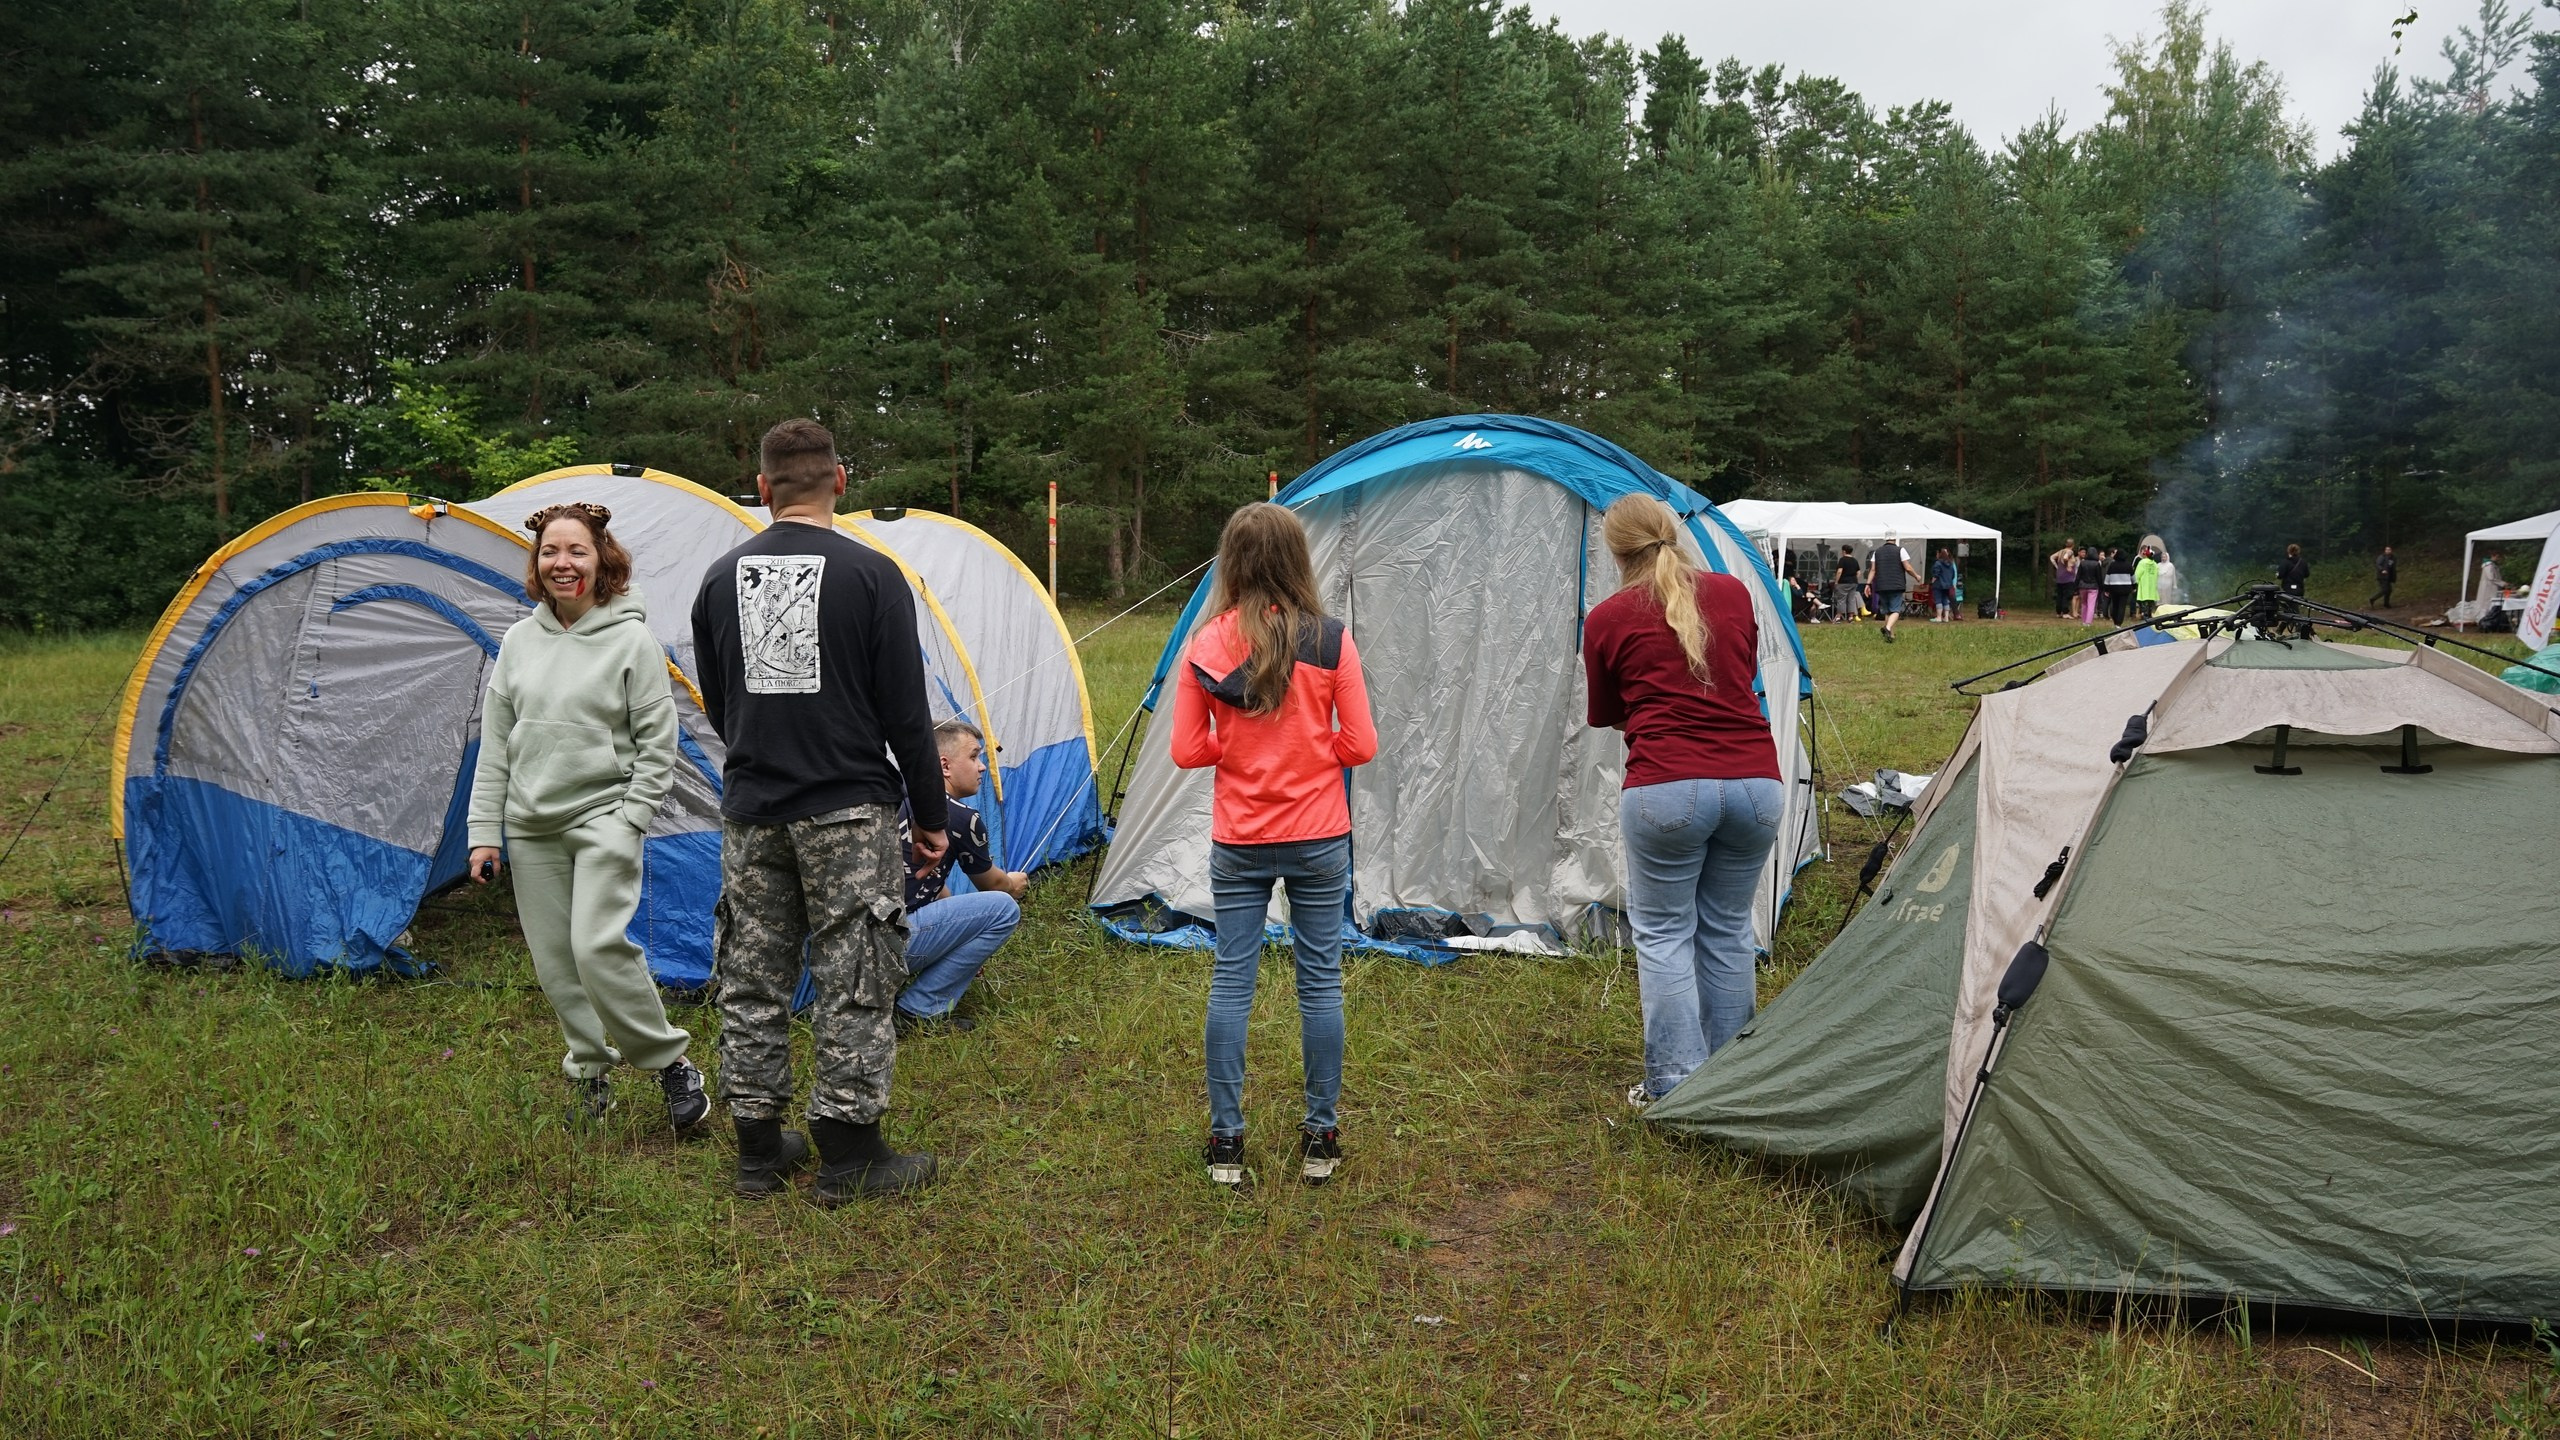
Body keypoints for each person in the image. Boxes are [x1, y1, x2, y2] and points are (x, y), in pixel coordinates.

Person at [692, 418, 951, 1206]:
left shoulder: (716, 579)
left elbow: (718, 702)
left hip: (753, 808)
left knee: (753, 978)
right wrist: (932, 814)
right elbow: (908, 715)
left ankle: (759, 1152)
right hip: (847, 811)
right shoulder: (873, 575)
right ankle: (848, 1154)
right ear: (841, 482)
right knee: (855, 975)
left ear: (763, 490)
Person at [466, 502, 708, 1132]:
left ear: (603, 560)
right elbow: (496, 745)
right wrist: (483, 833)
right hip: (531, 824)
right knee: (555, 962)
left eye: (576, 551)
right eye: (550, 552)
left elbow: (660, 740)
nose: (562, 564)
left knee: (596, 947)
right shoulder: (518, 642)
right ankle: (590, 1072)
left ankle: (670, 1064)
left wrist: (633, 816)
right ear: (536, 561)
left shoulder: (632, 640)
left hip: (605, 815)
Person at [1170, 502, 1378, 1190]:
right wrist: (1319, 747)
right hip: (1320, 835)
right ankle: (1321, 1135)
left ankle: (1226, 1142)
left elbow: (1186, 749)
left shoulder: (1206, 646)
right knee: (1320, 986)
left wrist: (1233, 743)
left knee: (1232, 982)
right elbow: (1362, 744)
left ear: (1231, 562)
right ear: (1298, 559)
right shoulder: (1331, 639)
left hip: (1241, 839)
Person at [1582, 495, 1782, 1109]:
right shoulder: (1732, 595)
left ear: (1614, 550)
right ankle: (1732, 1081)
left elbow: (1608, 714)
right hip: (1757, 785)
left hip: (1666, 789)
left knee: (1665, 933)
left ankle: (1676, 1087)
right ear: (1674, 532)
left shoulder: (1608, 617)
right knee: (1726, 930)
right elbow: (1743, 676)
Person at [894, 719, 1028, 1033]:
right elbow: (992, 884)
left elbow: (928, 883)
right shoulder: (958, 816)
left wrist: (960, 936)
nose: (982, 767)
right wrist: (1013, 884)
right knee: (1003, 908)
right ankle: (917, 1011)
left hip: (850, 943)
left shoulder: (897, 796)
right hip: (893, 946)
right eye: (974, 756)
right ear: (945, 765)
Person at [1866, 532, 1920, 642]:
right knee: (1896, 610)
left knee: (1887, 611)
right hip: (1896, 584)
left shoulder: (1877, 552)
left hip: (1881, 585)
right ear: (1895, 538)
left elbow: (1872, 569)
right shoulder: (1900, 550)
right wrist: (1916, 576)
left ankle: (1890, 636)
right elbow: (1907, 567)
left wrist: (1867, 584)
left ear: (1885, 539)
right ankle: (1887, 628)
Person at [2102, 545, 2136, 625]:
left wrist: (2106, 589)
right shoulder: (2128, 566)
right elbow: (2133, 578)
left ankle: (2115, 620)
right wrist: (2134, 587)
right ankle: (2119, 624)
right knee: (2122, 606)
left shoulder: (2112, 565)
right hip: (2125, 589)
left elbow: (2107, 578)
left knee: (2115, 605)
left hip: (2114, 589)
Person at [1832, 544, 1863, 622]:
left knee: (1841, 600)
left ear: (1844, 551)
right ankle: (1851, 617)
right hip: (1853, 582)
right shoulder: (1854, 560)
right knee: (1851, 599)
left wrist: (1836, 581)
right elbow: (1859, 572)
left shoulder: (1843, 560)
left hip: (1843, 582)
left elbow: (1839, 571)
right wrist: (1854, 579)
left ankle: (1839, 617)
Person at [2075, 545, 2106, 624]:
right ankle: (2088, 622)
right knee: (2091, 605)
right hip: (2093, 586)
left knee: (2084, 603)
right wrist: (2101, 586)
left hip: (2082, 586)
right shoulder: (2096, 564)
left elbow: (2078, 576)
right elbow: (2099, 577)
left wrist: (2075, 586)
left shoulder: (2082, 563)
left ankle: (2083, 620)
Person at [2050, 538, 2080, 616]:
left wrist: (2057, 566)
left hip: (2060, 576)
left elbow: (2052, 557)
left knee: (2060, 594)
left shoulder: (2060, 551)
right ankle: (2065, 612)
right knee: (2067, 594)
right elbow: (2065, 558)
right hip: (2068, 577)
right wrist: (2067, 565)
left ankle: (2059, 612)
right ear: (2073, 545)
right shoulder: (2070, 551)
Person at [1929, 547, 1959, 623]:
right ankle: (1946, 617)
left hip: (1938, 585)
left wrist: (1932, 581)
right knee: (1945, 600)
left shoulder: (1938, 563)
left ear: (1939, 554)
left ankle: (1939, 617)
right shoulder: (1951, 563)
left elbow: (1936, 574)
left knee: (1938, 600)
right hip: (1948, 585)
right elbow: (1953, 575)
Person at [2133, 546, 2160, 621]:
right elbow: (2157, 574)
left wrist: (2135, 583)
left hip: (2144, 585)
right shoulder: (2155, 564)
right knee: (2150, 602)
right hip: (2152, 586)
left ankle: (2144, 616)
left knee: (2144, 601)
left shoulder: (2142, 562)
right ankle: (2149, 615)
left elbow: (2137, 574)